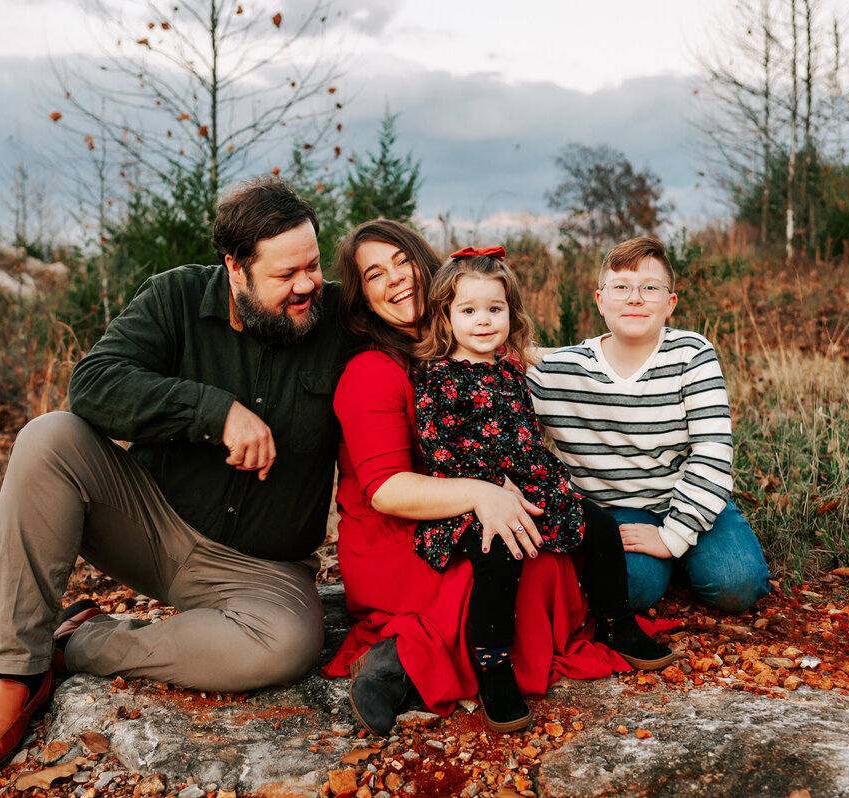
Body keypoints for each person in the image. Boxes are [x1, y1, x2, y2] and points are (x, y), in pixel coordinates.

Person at [0, 177, 352, 779]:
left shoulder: (341, 317)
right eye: (286, 274)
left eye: (313, 265)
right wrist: (214, 413)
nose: (306, 285)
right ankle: (17, 670)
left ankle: (73, 647)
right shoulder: (176, 298)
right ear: (236, 270)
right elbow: (94, 384)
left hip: (262, 572)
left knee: (289, 646)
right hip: (150, 524)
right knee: (48, 438)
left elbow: (431, 333)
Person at [321, 220, 679, 737]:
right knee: (505, 560)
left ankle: (606, 627)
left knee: (543, 551)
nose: (396, 279)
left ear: (431, 270)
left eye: (404, 262)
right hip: (396, 530)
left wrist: (634, 353)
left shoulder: (476, 346)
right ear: (362, 297)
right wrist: (485, 493)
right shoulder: (374, 370)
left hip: (468, 497)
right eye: (375, 274)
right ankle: (399, 665)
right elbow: (386, 491)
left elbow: (541, 370)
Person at [410, 247, 674, 733]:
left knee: (598, 524)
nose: (484, 321)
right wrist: (492, 486)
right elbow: (440, 451)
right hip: (472, 500)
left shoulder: (512, 370)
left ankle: (617, 624)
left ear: (511, 314)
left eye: (495, 309)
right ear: (446, 317)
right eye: (468, 311)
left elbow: (529, 434)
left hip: (531, 487)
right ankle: (493, 667)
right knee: (498, 554)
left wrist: (540, 482)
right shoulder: (438, 379)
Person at [528, 235, 770, 615]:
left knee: (737, 586)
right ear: (600, 300)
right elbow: (497, 357)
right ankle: (664, 566)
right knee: (632, 591)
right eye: (621, 287)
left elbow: (712, 454)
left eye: (650, 288)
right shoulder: (561, 371)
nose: (635, 298)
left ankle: (683, 552)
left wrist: (671, 536)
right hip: (617, 509)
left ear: (670, 303)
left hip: (687, 496)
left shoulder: (693, 354)